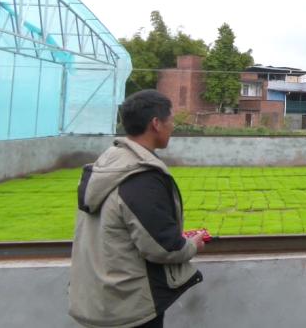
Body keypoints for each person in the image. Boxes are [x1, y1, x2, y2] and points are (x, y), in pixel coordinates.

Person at [69, 90, 207, 328]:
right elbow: (163, 247)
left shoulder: (109, 162)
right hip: (128, 305)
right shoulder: (141, 178)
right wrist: (192, 244)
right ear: (156, 124)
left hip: (97, 298)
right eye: (171, 120)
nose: (173, 126)